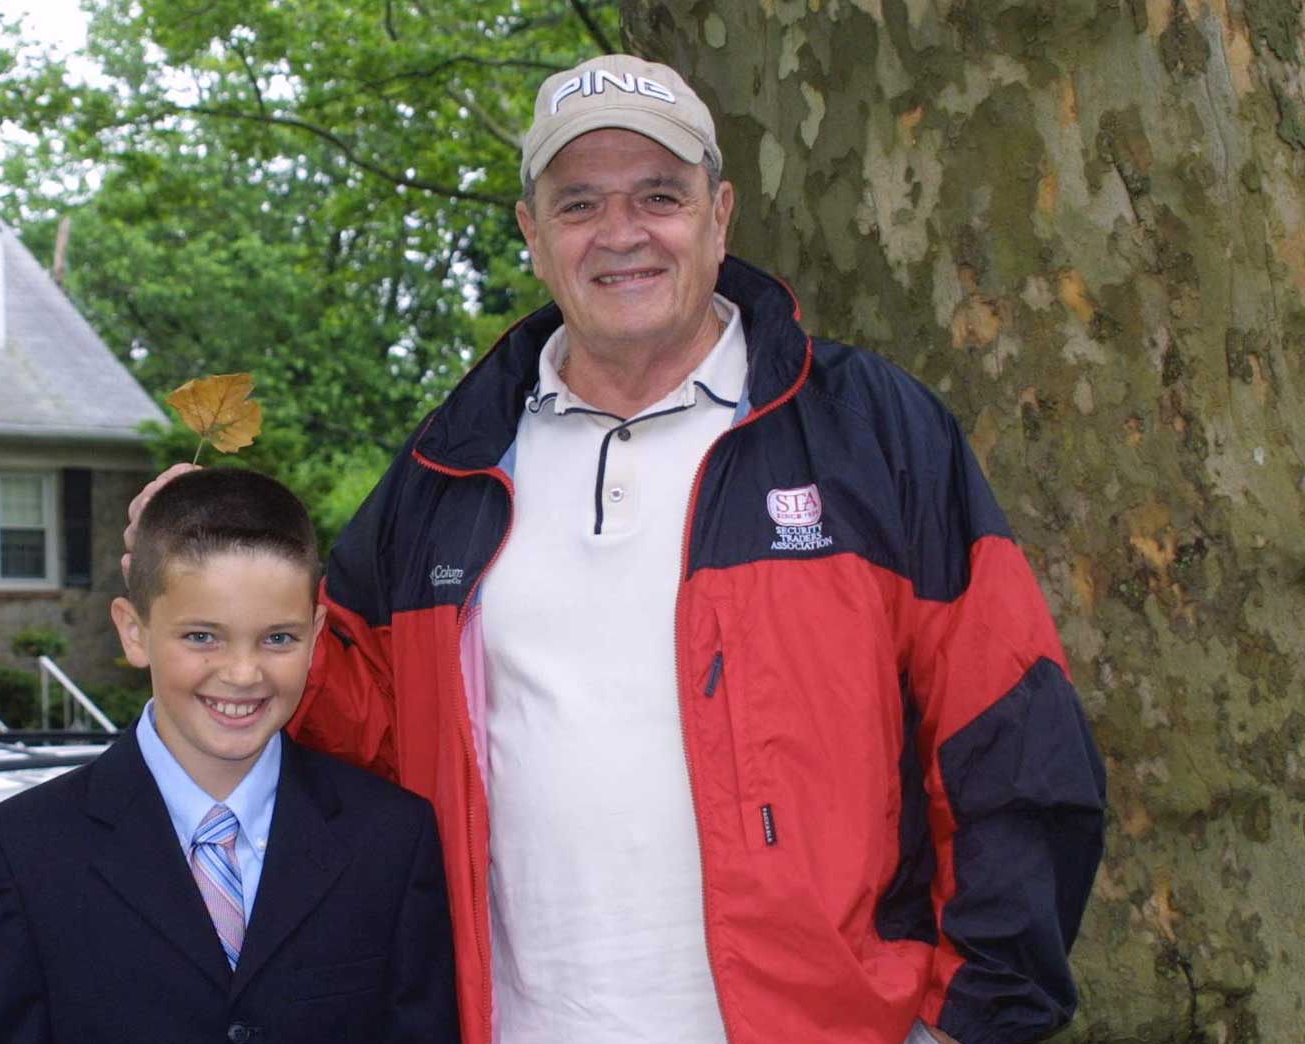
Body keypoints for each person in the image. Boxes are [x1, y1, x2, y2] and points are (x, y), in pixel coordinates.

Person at [127, 54, 1106, 1044]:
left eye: (658, 196)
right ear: (533, 235)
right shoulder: (448, 468)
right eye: (580, 202)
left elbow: (1011, 742)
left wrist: (970, 1018)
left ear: (719, 216)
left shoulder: (870, 432)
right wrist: (223, 589)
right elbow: (364, 732)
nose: (621, 233)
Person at [0, 468, 459, 1044]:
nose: (242, 673)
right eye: (202, 637)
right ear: (134, 631)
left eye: (278, 638)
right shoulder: (21, 849)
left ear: (316, 633)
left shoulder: (390, 836)